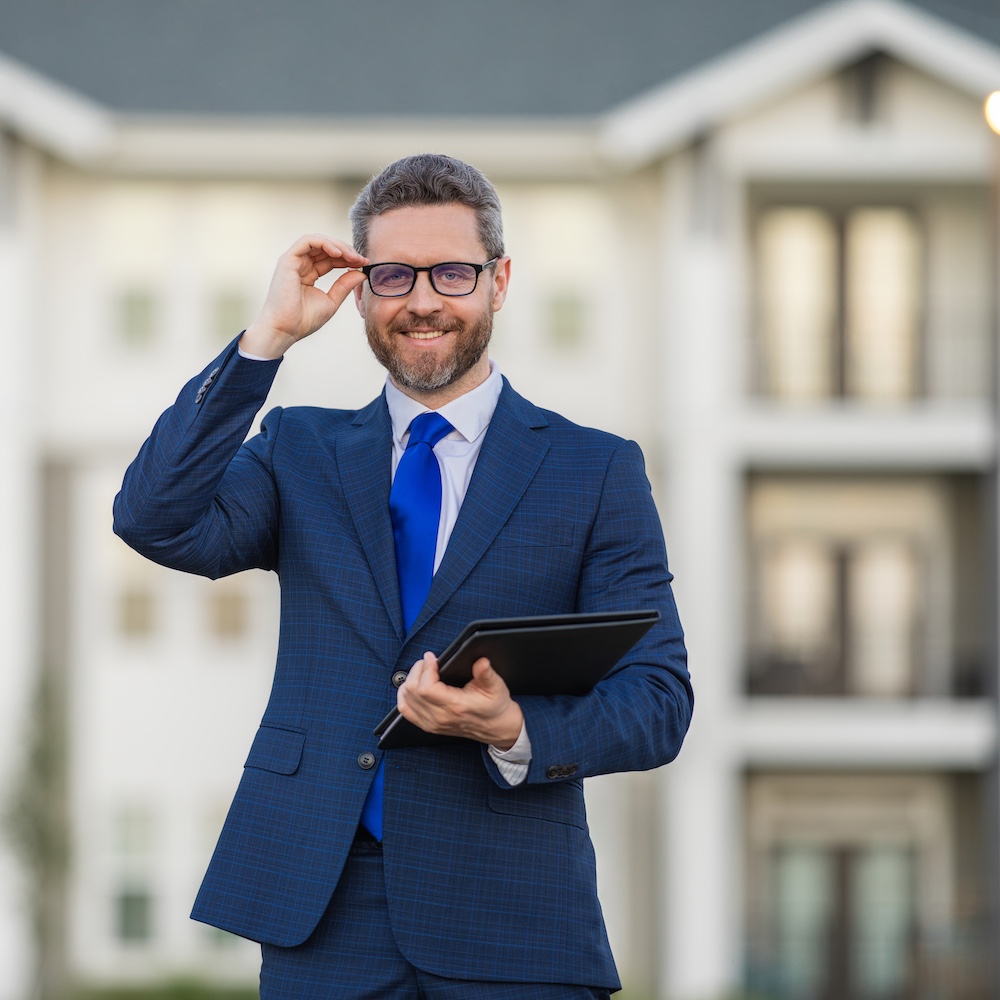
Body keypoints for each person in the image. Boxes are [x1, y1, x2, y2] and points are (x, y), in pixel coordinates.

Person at [114, 153, 692, 999]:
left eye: (452, 273)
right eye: (393, 275)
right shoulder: (300, 451)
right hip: (326, 914)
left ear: (499, 280)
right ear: (361, 290)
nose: (422, 300)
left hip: (515, 923)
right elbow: (153, 517)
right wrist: (264, 339)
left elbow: (659, 701)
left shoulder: (594, 470)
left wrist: (512, 728)